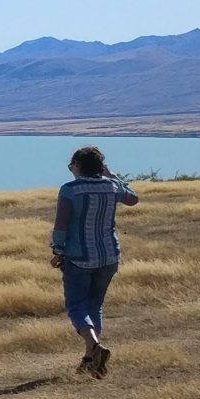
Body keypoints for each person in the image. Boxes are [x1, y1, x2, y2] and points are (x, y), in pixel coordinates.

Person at [51, 144, 139, 378]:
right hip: (109, 256)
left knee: (76, 306)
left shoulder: (70, 190)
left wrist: (58, 251)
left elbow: (61, 225)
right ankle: (90, 359)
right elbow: (133, 199)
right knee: (94, 305)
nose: (72, 170)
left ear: (78, 166)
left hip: (79, 257)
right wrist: (112, 175)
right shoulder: (111, 186)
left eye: (72, 166)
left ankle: (95, 347)